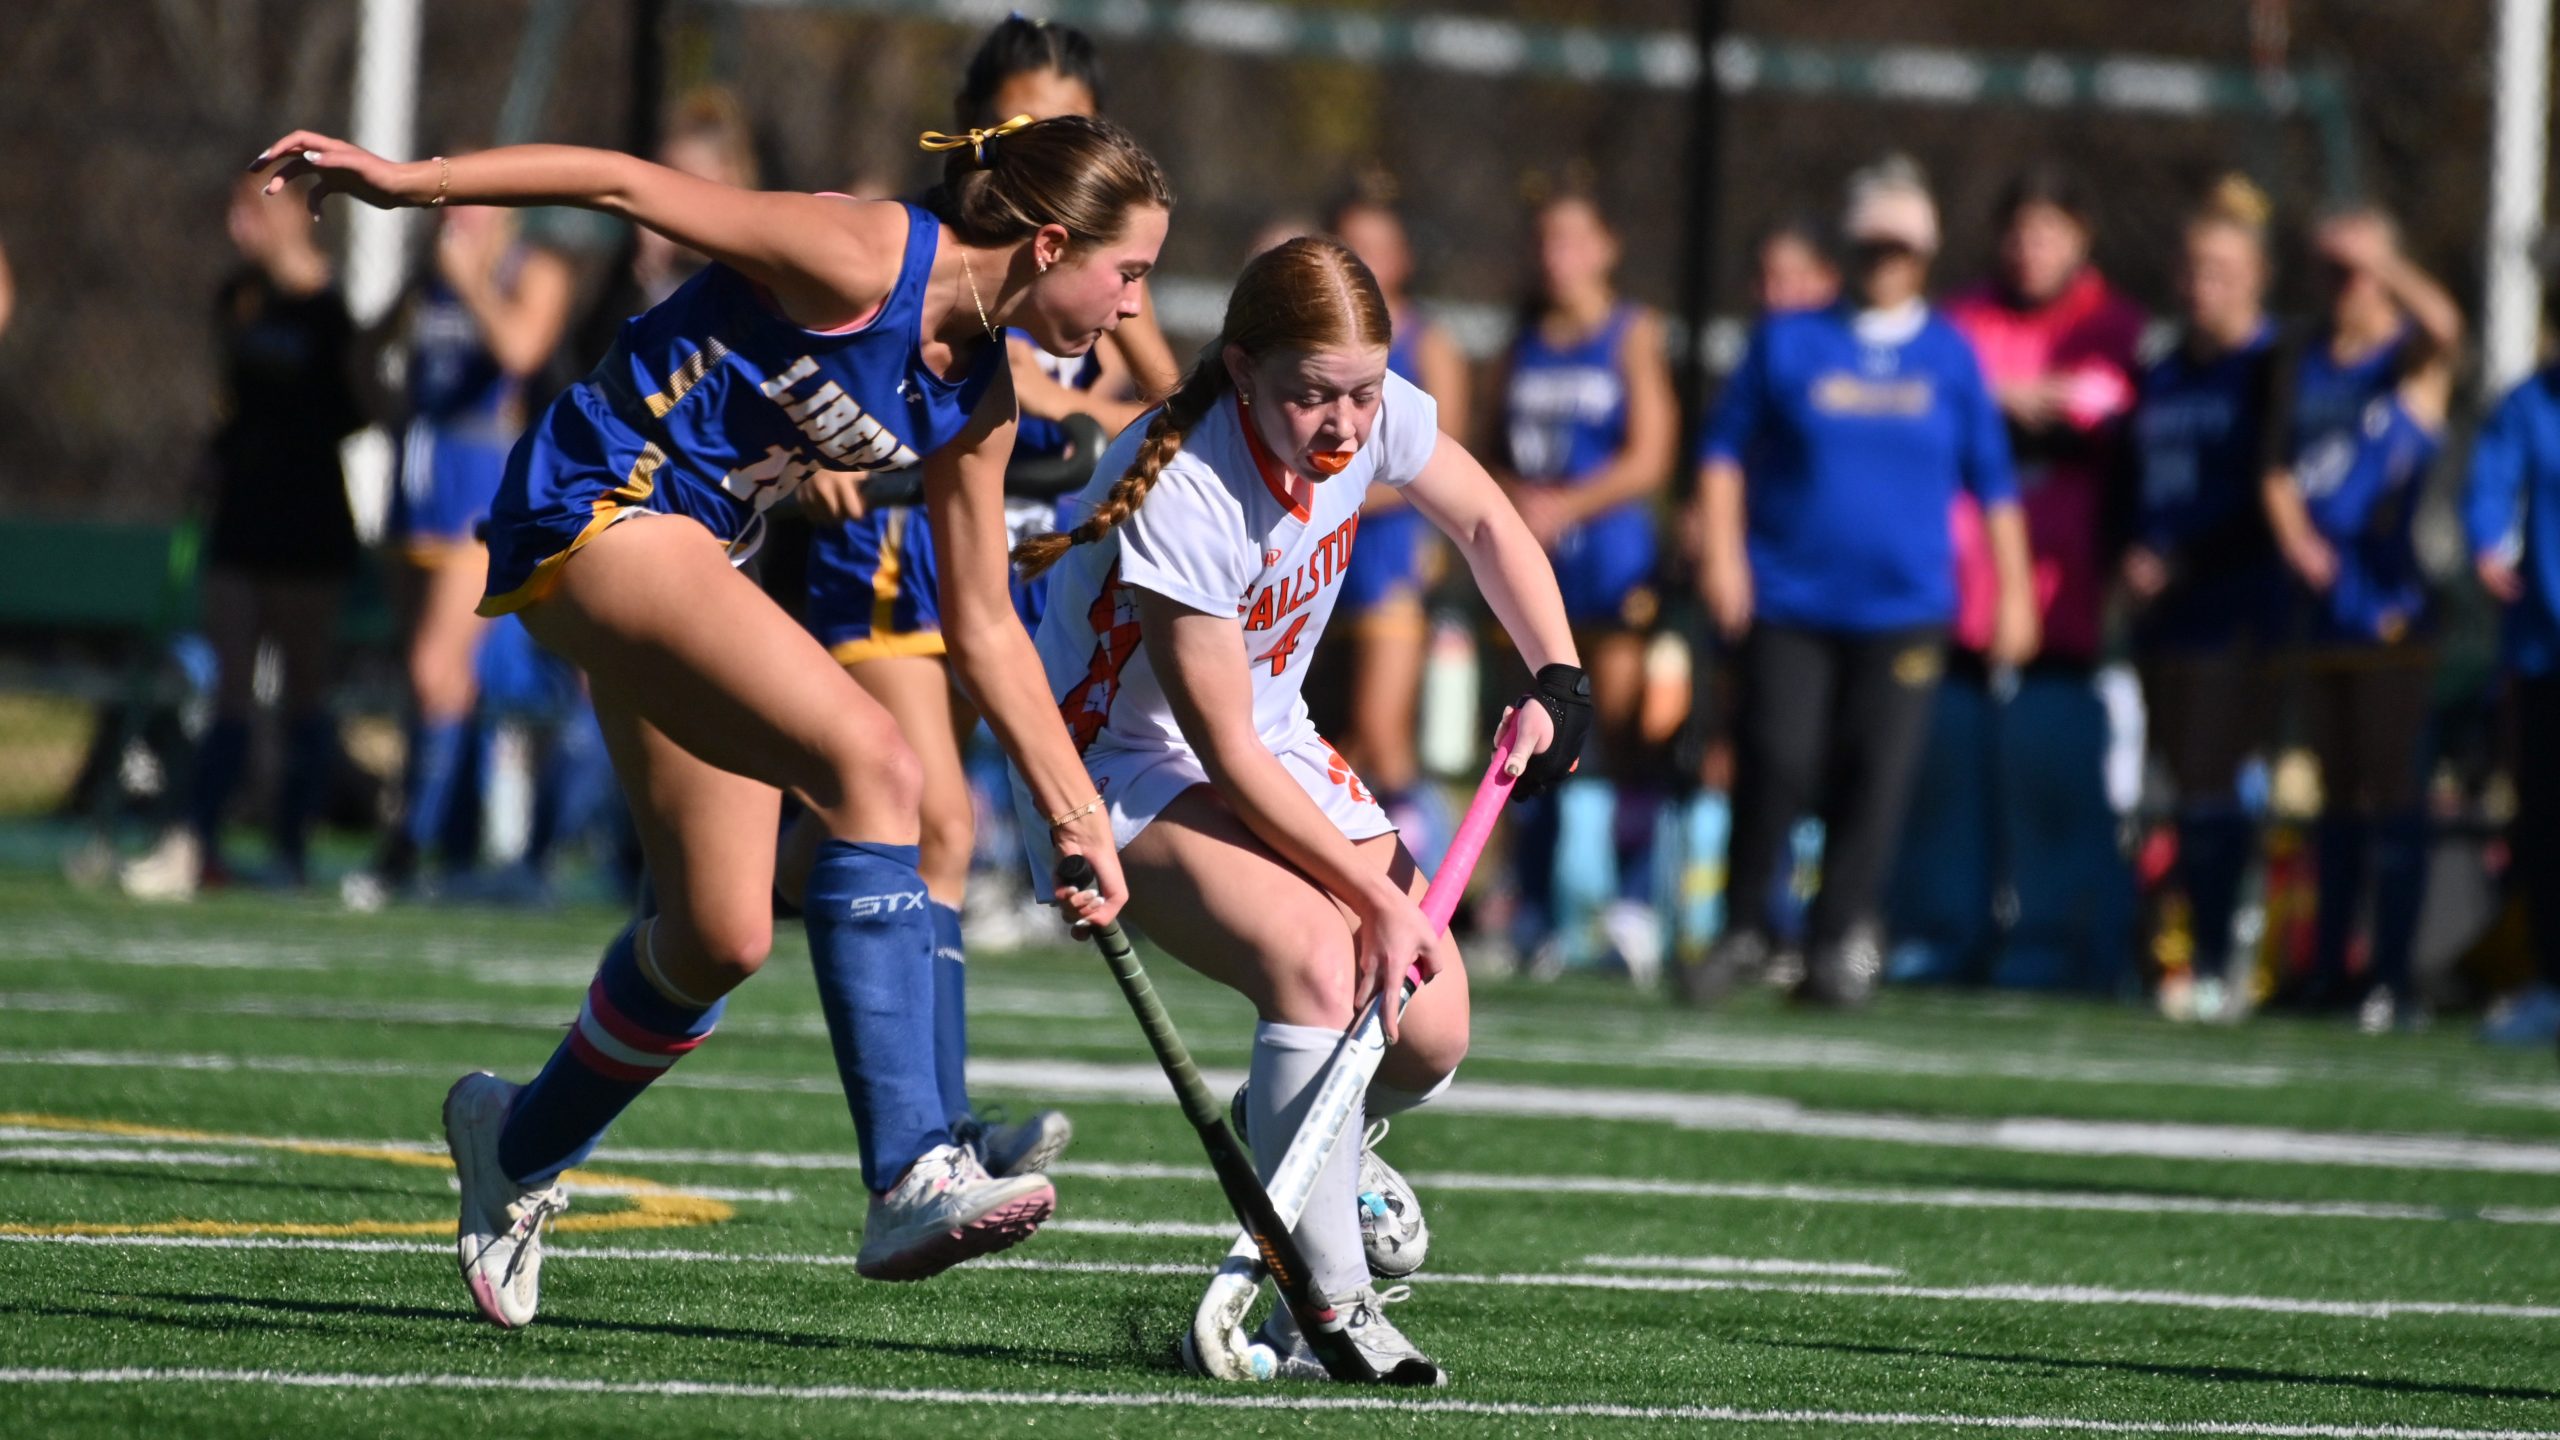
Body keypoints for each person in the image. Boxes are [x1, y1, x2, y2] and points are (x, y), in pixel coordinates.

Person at [252, 106, 1166, 1323]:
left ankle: (512, 1148)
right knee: (873, 763)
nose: (1134, 311)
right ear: (1051, 244)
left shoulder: (978, 400)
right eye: (1130, 274)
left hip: (694, 559)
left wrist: (1079, 818)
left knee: (719, 937)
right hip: (599, 500)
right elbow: (626, 183)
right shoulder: (864, 255)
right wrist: (404, 184)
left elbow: (987, 629)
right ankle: (910, 1166)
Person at [1012, 236, 1586, 1381]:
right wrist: (1369, 895)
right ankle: (1325, 1313)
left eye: (1362, 392)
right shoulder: (1184, 485)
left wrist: (1557, 679)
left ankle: (1305, 1130)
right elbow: (1215, 747)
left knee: (1430, 1031)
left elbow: (1481, 520)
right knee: (1323, 964)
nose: (1341, 426)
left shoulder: (1370, 406)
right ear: (1240, 371)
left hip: (1271, 743)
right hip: (1116, 765)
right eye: (1310, 396)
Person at [781, 13, 1168, 1174]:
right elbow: (817, 373)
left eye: (1060, 121)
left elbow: (1170, 415)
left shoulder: (1104, 274)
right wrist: (812, 463)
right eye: (1016, 121)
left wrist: (1106, 429)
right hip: (893, 563)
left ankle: (938, 1123)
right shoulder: (928, 255)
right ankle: (930, 1136)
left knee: (940, 833)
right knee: (932, 822)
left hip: (1008, 574)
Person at [1683, 156, 2039, 1009]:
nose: (1887, 266)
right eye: (1874, 248)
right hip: (1792, 599)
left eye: (1903, 251)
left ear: (1926, 255)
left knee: (1875, 774)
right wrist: (1725, 556)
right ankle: (1745, 925)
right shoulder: (1789, 340)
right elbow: (1722, 454)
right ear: (1849, 247)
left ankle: (1838, 938)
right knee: (1777, 758)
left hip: (1906, 609)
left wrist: (2015, 592)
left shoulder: (1951, 356)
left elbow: (1993, 484)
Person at [1916, 163, 2144, 990]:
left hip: (2063, 606)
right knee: (1946, 774)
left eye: (2048, 231)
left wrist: (2011, 400)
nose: (2029, 248)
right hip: (1957, 599)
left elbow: (2102, 405)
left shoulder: (2112, 325)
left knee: (2053, 775)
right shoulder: (1960, 322)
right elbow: (1940, 401)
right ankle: (1946, 935)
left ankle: (2057, 942)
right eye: (2018, 230)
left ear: (2080, 238)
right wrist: (2012, 399)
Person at [121, 176, 365, 900]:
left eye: (249, 210)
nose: (237, 227)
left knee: (302, 690)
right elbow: (233, 397)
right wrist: (215, 451)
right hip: (241, 510)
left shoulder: (329, 307)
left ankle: (290, 850)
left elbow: (352, 409)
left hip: (308, 513)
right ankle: (196, 842)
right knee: (229, 686)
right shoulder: (237, 298)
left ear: (295, 215)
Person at [2263, 207, 2460, 1029]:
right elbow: (2275, 467)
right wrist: (2297, 539)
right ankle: (2330, 964)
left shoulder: (2407, 363)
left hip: (2389, 605)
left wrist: (2386, 258)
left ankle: (2391, 973)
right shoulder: (2305, 360)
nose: (2342, 288)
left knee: (2391, 787)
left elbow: (2446, 326)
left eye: (2357, 272)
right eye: (2330, 271)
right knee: (2335, 792)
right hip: (2321, 602)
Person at [362, 190, 575, 896]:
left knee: (434, 668)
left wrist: (468, 282)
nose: (455, 225)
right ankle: (447, 846)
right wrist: (392, 409)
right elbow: (364, 353)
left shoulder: (528, 270)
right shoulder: (429, 282)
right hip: (421, 486)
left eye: (470, 211)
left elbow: (519, 347)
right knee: (434, 682)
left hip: (484, 491)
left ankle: (408, 843)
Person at [1490, 188, 1677, 974]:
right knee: (1532, 730)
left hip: (1614, 563)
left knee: (1627, 736)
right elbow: (1486, 450)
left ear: (1607, 246)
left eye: (1573, 239)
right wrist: (1519, 499)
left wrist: (1572, 502)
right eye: (1545, 240)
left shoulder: (1632, 334)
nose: (1556, 256)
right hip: (1539, 566)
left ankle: (1633, 907)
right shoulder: (1521, 339)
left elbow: (1651, 454)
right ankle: (1536, 914)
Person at [2122, 177, 2289, 1023]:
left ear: (2257, 274)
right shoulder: (2159, 371)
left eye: (2221, 269)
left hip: (2233, 599)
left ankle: (2226, 956)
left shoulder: (2268, 369)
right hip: (2164, 607)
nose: (2201, 285)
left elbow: (2267, 493)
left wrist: (2183, 558)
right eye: (2191, 268)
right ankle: (2173, 953)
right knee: (2178, 784)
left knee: (2216, 775)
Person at [1325, 188, 1471, 864]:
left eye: (1377, 251)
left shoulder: (1426, 341)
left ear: (1404, 261)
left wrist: (1337, 488)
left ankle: (1442, 884)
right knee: (1326, 733)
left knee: (1384, 731)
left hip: (1387, 560)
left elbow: (1440, 463)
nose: (1364, 264)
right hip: (1321, 553)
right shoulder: (1316, 340)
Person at [2466, 263, 2560, 1047]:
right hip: (2544, 653)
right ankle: (2553, 982)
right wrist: (2487, 543)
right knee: (2545, 825)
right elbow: (2490, 491)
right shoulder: (2530, 404)